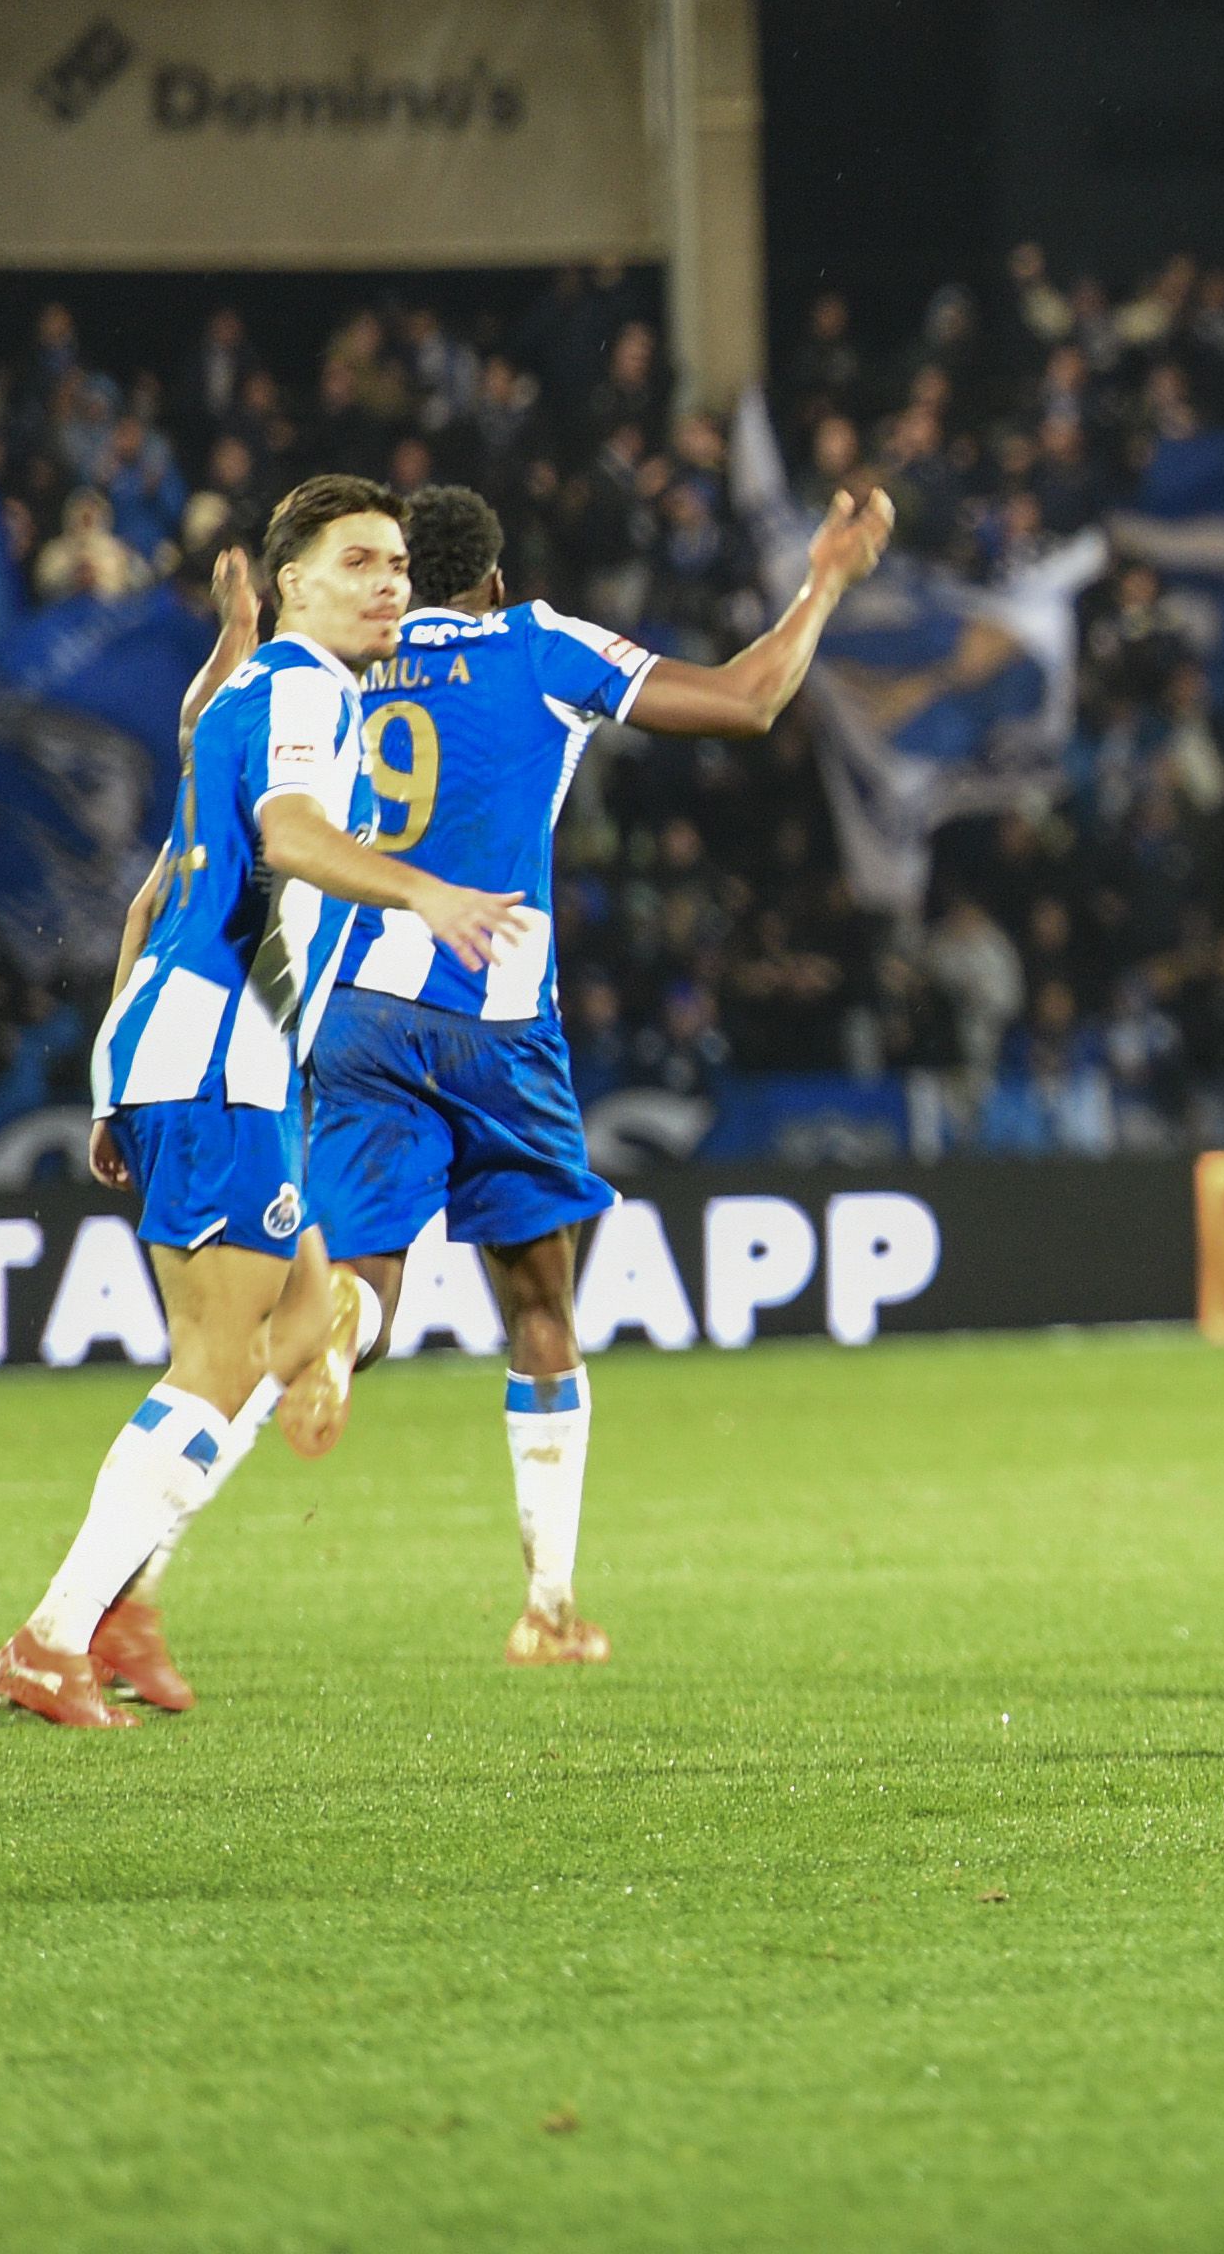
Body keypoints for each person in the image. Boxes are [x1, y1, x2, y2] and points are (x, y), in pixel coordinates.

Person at [291, 479, 893, 1665]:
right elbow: (748, 698)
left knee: (367, 1277)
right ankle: (547, 1606)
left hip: (354, 1012)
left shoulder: (335, 656)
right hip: (496, 1018)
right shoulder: (538, 642)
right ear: (496, 580)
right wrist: (824, 578)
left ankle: (334, 1332)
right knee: (542, 1308)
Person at [0, 477, 519, 1729]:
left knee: (299, 1325)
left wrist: (117, 1075)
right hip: (225, 1053)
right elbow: (285, 834)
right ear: (295, 584)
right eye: (358, 562)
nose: (389, 581)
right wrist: (427, 895)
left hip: (208, 1055)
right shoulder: (301, 691)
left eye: (396, 563)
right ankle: (54, 1636)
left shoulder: (238, 694)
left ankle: (119, 1607)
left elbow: (158, 894)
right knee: (218, 1363)